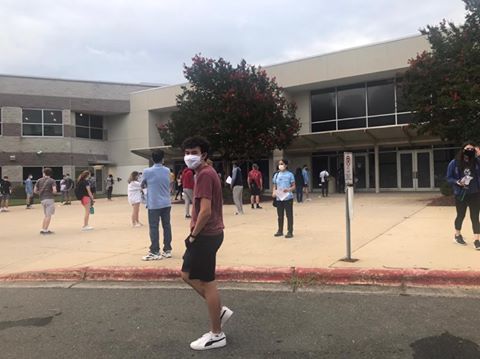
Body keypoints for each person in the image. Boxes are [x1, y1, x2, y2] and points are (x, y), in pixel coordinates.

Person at [180, 136, 232, 351]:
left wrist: (193, 236)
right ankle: (218, 311)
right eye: (187, 152)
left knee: (207, 282)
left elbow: (206, 211)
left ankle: (216, 334)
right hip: (209, 234)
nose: (189, 156)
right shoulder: (205, 173)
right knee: (186, 274)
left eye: (194, 152)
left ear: (204, 155)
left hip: (206, 235)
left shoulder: (203, 175)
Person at [447, 141, 480, 250]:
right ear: (462, 150)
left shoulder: (477, 162)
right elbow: (449, 178)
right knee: (461, 215)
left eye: (472, 149)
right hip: (461, 194)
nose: (469, 151)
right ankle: (457, 235)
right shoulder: (454, 163)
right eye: (467, 149)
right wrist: (457, 182)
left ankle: (477, 240)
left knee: (475, 217)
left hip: (474, 193)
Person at [141, 150, 172, 260]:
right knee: (167, 226)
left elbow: (142, 183)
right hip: (166, 202)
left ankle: (155, 251)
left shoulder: (147, 171)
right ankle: (167, 249)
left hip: (154, 203)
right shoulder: (167, 170)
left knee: (154, 227)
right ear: (163, 159)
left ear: (152, 159)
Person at [272, 159, 296, 238]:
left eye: (282, 164)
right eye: (279, 164)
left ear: (286, 165)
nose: (280, 166)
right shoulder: (276, 175)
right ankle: (280, 230)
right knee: (280, 215)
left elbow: (293, 186)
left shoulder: (290, 175)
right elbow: (274, 185)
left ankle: (290, 231)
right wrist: (273, 192)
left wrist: (288, 190)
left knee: (289, 215)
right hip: (279, 198)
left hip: (288, 198)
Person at [34, 168, 57, 234]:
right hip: (49, 199)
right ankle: (45, 229)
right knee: (48, 215)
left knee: (46, 215)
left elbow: (35, 191)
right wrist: (54, 193)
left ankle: (43, 228)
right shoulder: (52, 181)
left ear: (44, 173)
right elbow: (54, 190)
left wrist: (41, 193)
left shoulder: (39, 180)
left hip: (42, 199)